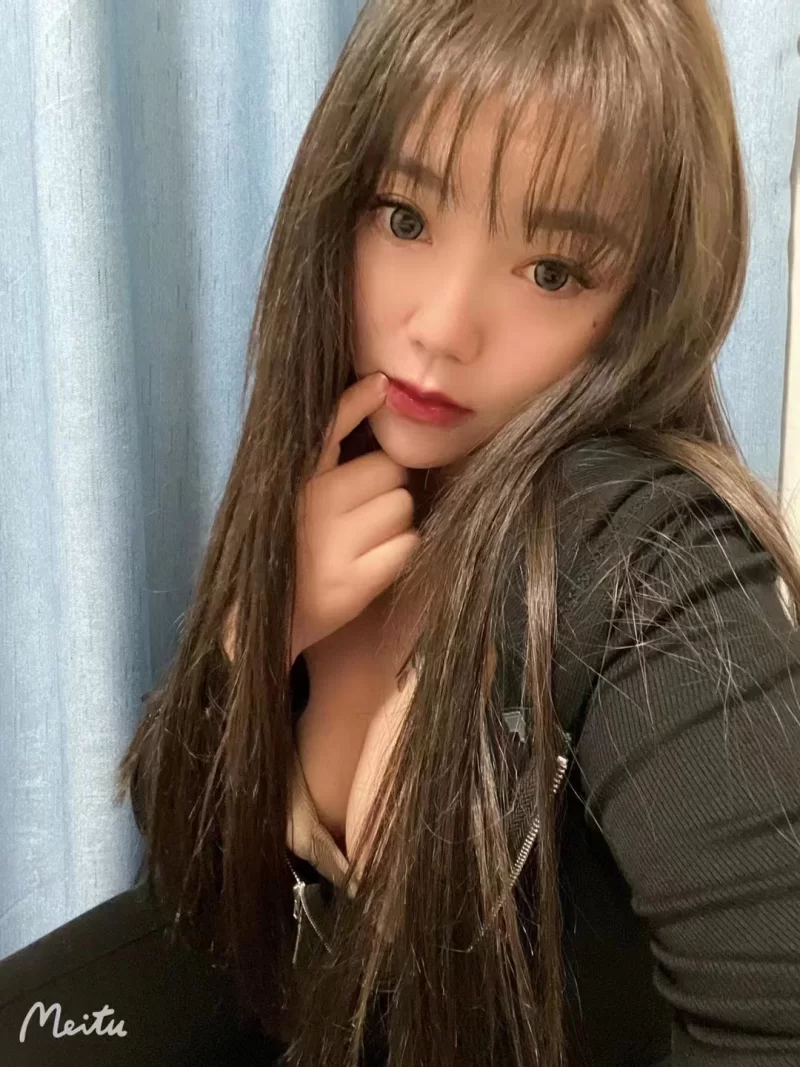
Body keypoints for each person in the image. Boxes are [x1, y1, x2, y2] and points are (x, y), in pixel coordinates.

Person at [1, 0, 799, 1064]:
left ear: (643, 304)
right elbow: (192, 881)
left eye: (552, 271)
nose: (441, 325)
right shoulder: (339, 462)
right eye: (405, 218)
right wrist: (262, 629)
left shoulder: (642, 548)